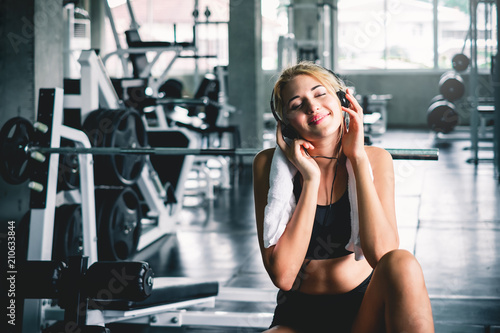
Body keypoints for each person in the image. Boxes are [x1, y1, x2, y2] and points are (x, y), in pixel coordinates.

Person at [253, 61, 434, 332]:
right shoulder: (268, 165)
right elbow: (284, 276)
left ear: (343, 99)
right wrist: (310, 178)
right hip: (299, 315)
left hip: (364, 310)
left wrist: (358, 158)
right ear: (287, 125)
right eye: (296, 104)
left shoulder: (375, 159)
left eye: (319, 93)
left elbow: (382, 255)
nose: (312, 107)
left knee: (402, 262)